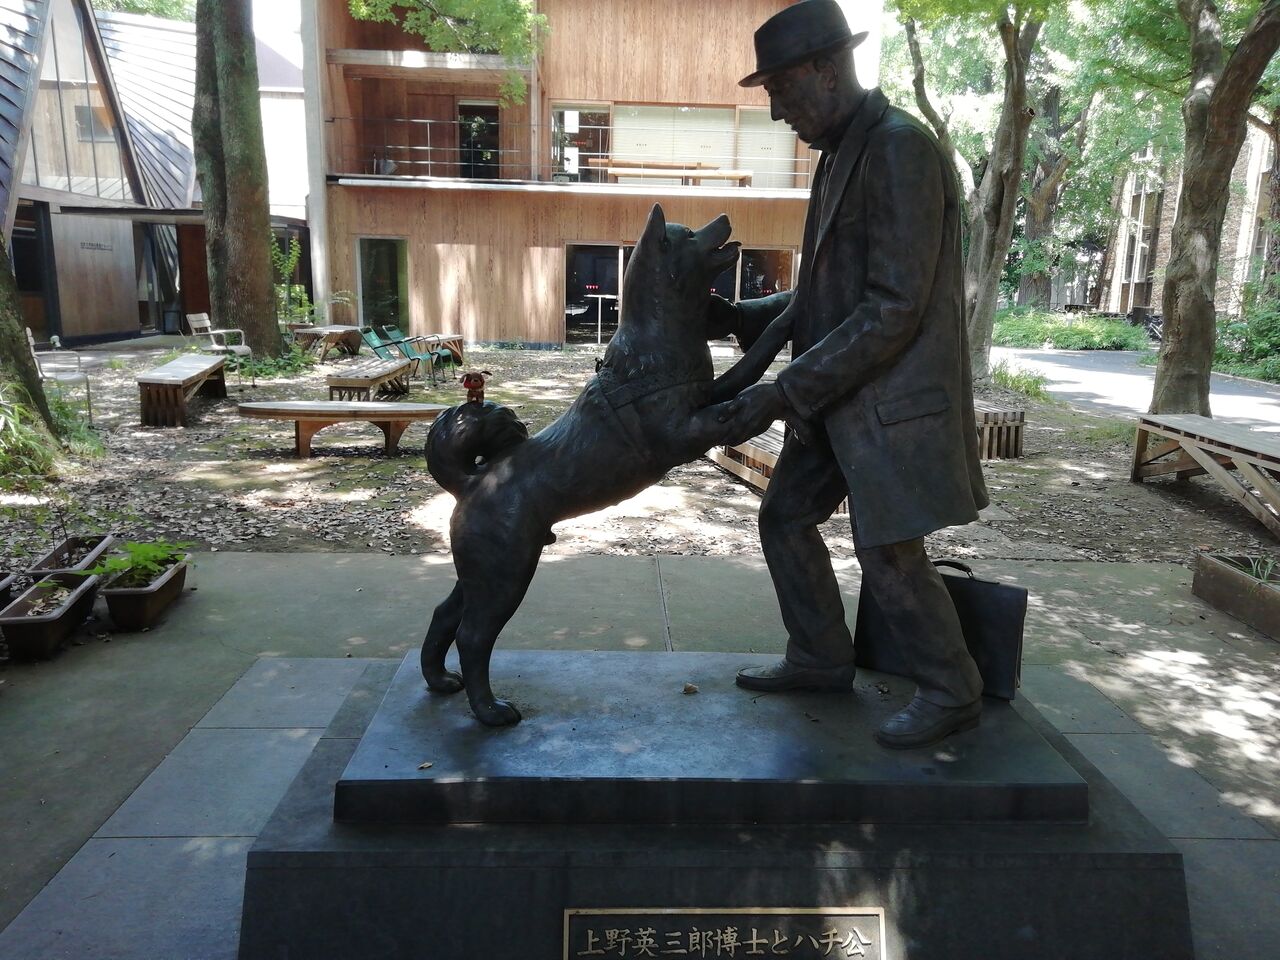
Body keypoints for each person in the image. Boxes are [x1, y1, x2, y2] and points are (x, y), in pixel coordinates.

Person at [706, 0, 989, 749]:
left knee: (890, 553)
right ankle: (821, 657)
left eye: (782, 92)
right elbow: (826, 288)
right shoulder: (841, 155)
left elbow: (894, 306)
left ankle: (953, 688)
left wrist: (780, 392)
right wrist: (741, 316)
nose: (776, 113)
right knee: (786, 517)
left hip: (887, 401)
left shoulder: (900, 150)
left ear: (826, 70)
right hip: (839, 398)